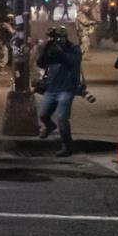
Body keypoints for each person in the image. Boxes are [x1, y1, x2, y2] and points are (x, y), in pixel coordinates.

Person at [36, 26, 83, 157]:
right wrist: (45, 50)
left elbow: (73, 63)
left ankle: (67, 146)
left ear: (64, 38)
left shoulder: (74, 49)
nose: (55, 41)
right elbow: (40, 63)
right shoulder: (51, 49)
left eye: (57, 38)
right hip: (51, 87)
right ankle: (50, 126)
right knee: (43, 115)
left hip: (67, 88)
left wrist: (60, 53)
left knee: (62, 118)